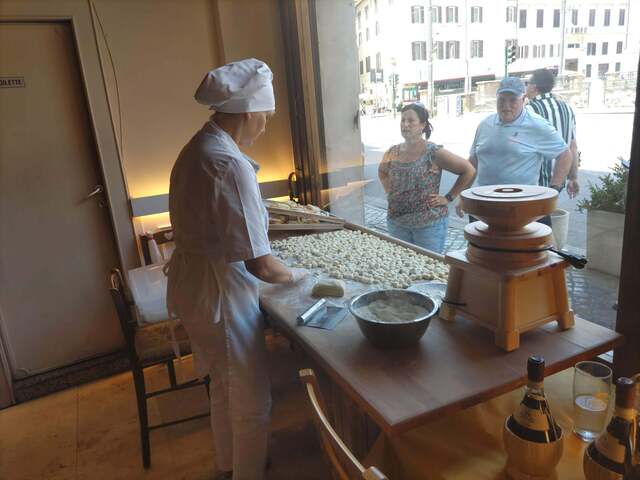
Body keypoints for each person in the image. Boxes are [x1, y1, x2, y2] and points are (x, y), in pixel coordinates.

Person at [165, 58, 303, 480]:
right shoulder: (229, 163)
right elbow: (260, 264)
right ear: (249, 112)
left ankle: (228, 467)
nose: (265, 125)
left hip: (195, 287)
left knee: (223, 389)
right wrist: (302, 277)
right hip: (220, 295)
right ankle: (248, 472)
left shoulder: (198, 147)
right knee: (250, 399)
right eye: (266, 117)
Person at [458, 77, 573, 226]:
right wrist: (463, 195)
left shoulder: (536, 125)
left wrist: (554, 189)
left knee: (532, 241)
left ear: (523, 100)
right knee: (479, 240)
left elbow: (565, 154)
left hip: (522, 207)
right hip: (482, 206)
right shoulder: (485, 125)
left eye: (512, 100)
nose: (506, 106)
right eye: (501, 100)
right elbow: (473, 161)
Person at [378, 102, 475, 253]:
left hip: (429, 226)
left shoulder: (433, 152)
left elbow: (468, 170)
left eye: (411, 120)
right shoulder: (393, 152)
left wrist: (449, 197)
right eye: (403, 120)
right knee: (400, 264)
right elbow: (382, 172)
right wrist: (389, 192)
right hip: (397, 223)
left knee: (427, 265)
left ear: (422, 125)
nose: (405, 125)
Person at [526, 68, 580, 198]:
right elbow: (573, 145)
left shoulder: (529, 110)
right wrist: (573, 178)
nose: (526, 87)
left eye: (527, 83)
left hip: (536, 183)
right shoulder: (567, 108)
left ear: (534, 87)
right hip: (558, 182)